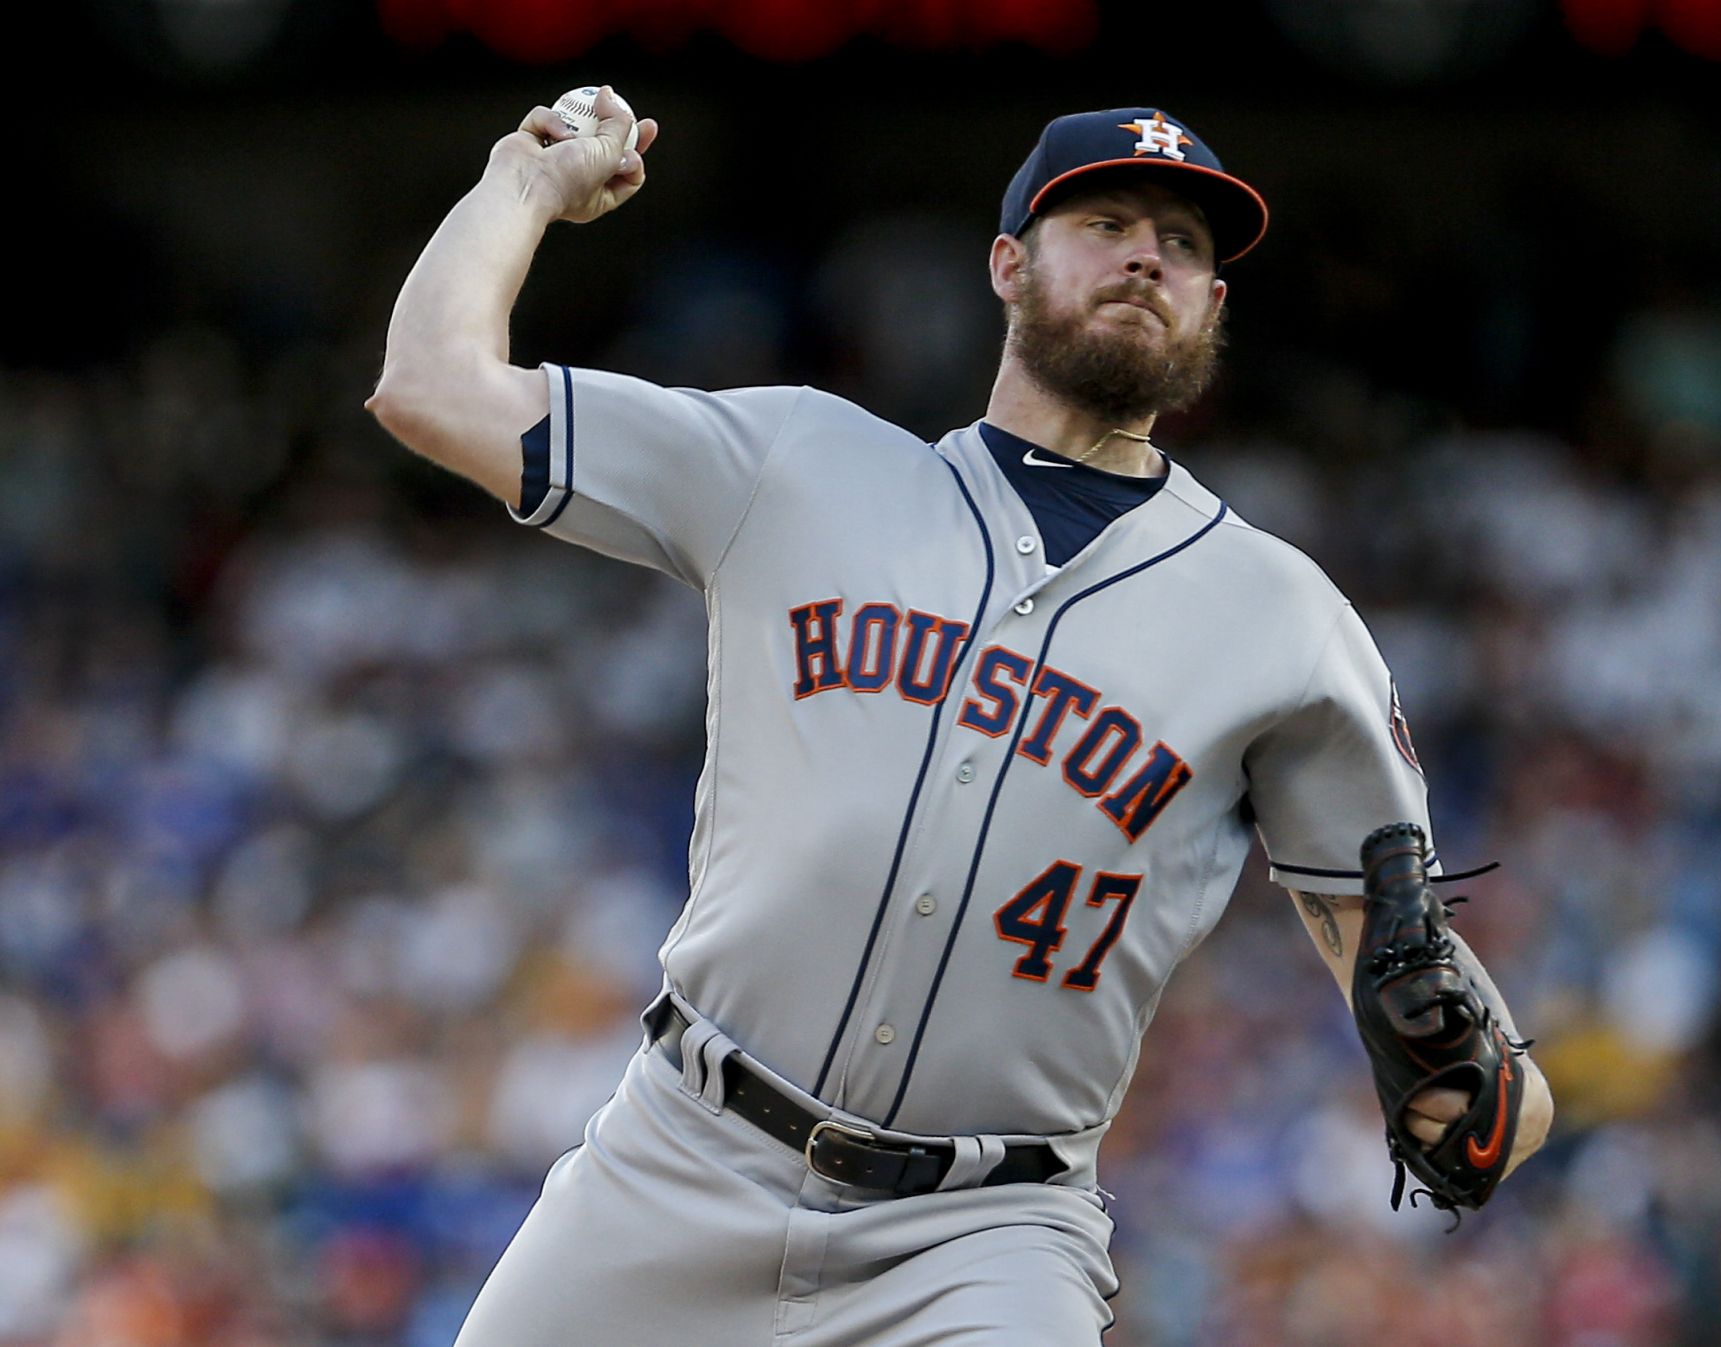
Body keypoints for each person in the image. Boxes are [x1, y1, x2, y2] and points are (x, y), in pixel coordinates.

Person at [367, 90, 1553, 1346]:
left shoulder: (1283, 621)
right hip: (678, 1160)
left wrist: (1492, 1096)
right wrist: (522, 184)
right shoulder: (797, 463)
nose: (1149, 253)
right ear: (1006, 263)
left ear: (1213, 305)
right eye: (1104, 221)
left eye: (1187, 245)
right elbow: (429, 388)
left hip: (984, 1236)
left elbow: (1419, 979)